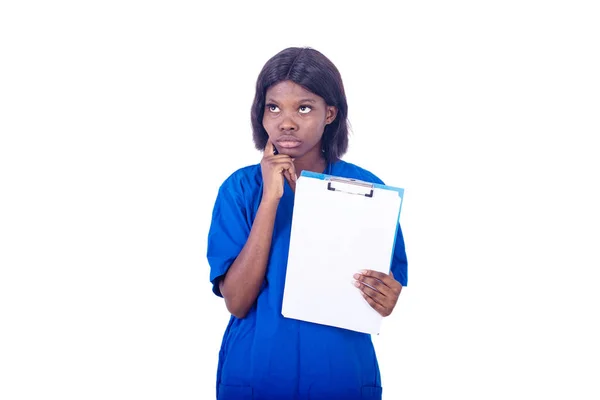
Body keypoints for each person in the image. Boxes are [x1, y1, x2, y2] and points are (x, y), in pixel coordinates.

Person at [206, 47, 408, 400]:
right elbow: (237, 302)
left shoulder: (368, 192)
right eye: (273, 107)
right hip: (258, 375)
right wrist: (270, 199)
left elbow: (385, 290)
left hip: (340, 375)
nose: (286, 122)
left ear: (329, 113)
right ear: (260, 113)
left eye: (304, 107)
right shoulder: (240, 190)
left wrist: (388, 297)